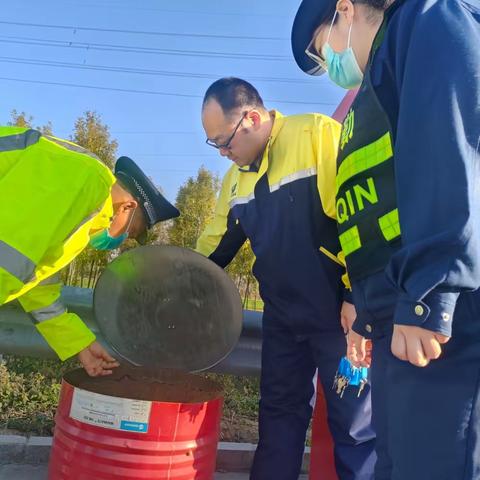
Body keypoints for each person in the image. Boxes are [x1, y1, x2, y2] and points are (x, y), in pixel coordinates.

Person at [291, 0, 480, 478]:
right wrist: (367, 316)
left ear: (344, 11)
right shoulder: (373, 85)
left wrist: (429, 297)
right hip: (397, 321)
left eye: (322, 49)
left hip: (443, 317)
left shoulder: (427, 19)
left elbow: (447, 150)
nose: (330, 62)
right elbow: (377, 210)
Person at [196, 77, 375, 480]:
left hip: (339, 317)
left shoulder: (316, 136)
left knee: (355, 427)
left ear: (252, 118)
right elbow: (214, 245)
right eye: (215, 146)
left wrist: (356, 295)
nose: (223, 153)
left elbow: (358, 218)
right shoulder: (236, 178)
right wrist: (181, 279)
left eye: (224, 141)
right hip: (282, 320)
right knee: (278, 419)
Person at [0, 126, 179, 377]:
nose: (122, 240)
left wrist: (80, 343)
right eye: (131, 230)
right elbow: (8, 262)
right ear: (127, 207)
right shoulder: (86, 179)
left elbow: (37, 285)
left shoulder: (86, 208)